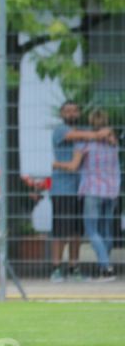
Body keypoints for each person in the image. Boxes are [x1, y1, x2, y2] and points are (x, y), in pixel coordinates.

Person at [49, 101, 114, 282]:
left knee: (76, 232)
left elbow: (108, 136)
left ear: (79, 113)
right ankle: (56, 269)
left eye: (74, 111)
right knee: (60, 231)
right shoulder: (60, 131)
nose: (71, 114)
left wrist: (106, 134)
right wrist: (98, 134)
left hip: (83, 189)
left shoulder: (86, 131)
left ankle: (74, 269)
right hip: (62, 189)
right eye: (67, 111)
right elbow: (82, 135)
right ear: (61, 114)